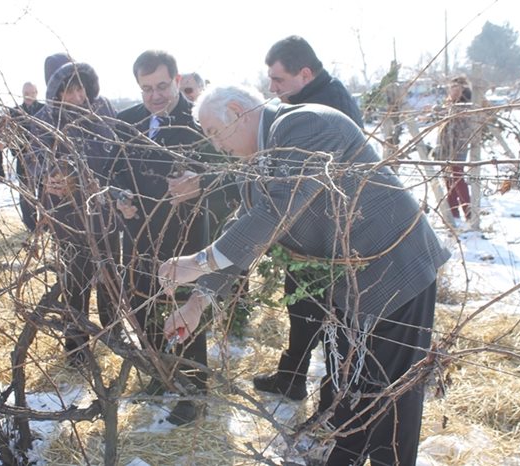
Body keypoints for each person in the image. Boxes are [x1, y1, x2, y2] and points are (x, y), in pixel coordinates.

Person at [158, 85, 450, 465]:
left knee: (389, 398)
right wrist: (198, 302)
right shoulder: (260, 163)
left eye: (214, 132)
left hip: (396, 271)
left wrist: (197, 261)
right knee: (352, 387)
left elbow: (278, 210)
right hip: (354, 284)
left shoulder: (304, 124)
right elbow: (247, 233)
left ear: (237, 110)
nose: (214, 145)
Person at [253, 34, 365, 401]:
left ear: (304, 73)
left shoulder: (323, 108)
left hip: (329, 235)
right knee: (302, 306)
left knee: (330, 317)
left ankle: (332, 402)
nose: (272, 87)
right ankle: (292, 378)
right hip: (315, 231)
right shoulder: (315, 96)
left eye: (278, 79)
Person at [115, 50, 210, 425]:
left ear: (177, 79)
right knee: (141, 307)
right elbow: (115, 174)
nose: (154, 96)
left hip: (184, 240)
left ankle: (191, 391)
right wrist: (119, 198)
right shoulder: (128, 122)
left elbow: (229, 173)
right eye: (145, 88)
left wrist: (200, 184)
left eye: (160, 86)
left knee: (184, 314)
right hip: (138, 237)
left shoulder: (201, 121)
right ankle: (158, 373)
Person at [31, 53, 120, 365]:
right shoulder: (44, 120)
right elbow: (35, 166)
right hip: (68, 218)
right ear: (54, 90)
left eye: (81, 89)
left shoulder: (103, 108)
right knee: (74, 282)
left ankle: (114, 335)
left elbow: (116, 155)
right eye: (68, 90)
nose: (77, 97)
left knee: (111, 275)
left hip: (106, 213)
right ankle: (77, 348)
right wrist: (48, 181)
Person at [265, 35, 363, 127]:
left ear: (305, 75)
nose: (271, 88)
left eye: (278, 80)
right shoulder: (328, 92)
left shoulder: (319, 116)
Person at [436, 75, 474, 225]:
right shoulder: (450, 104)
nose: (452, 91)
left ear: (462, 88)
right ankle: (453, 212)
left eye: (455, 87)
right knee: (448, 178)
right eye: (451, 88)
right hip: (445, 147)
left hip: (458, 145)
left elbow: (460, 123)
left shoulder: (466, 104)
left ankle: (468, 212)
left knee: (457, 177)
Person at [9, 82, 45, 232]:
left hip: (42, 160)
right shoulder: (15, 112)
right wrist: (19, 152)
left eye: (32, 92)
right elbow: (10, 136)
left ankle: (46, 224)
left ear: (36, 92)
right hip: (23, 160)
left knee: (44, 192)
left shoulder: (44, 110)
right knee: (26, 195)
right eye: (26, 92)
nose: (29, 95)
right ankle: (31, 226)